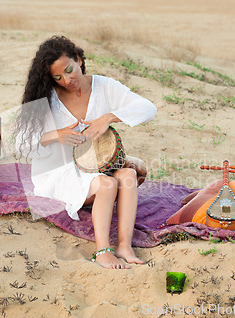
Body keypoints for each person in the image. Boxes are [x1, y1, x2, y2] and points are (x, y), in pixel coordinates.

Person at [15, 35, 157, 269]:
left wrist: (108, 117)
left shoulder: (105, 86)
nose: (67, 80)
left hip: (95, 166)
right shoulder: (47, 96)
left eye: (69, 70)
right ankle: (102, 250)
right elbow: (21, 142)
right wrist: (56, 135)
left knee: (128, 176)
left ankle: (124, 245)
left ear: (79, 60)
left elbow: (147, 108)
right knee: (107, 184)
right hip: (59, 172)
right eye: (57, 77)